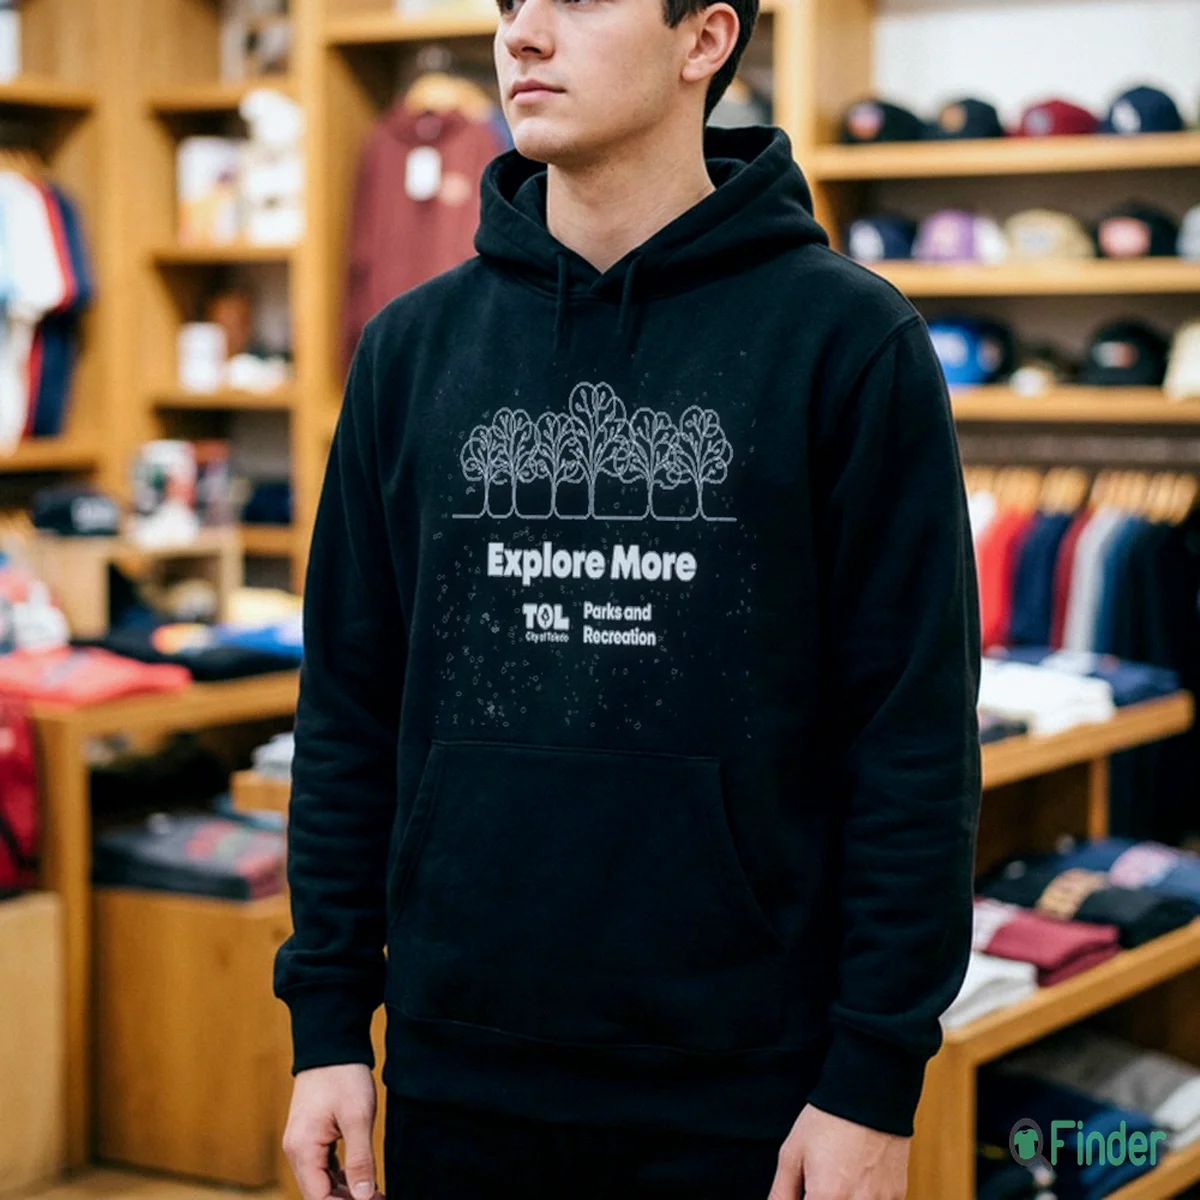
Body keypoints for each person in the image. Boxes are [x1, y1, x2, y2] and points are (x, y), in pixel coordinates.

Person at [274, 0, 983, 1189]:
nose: (522, 35)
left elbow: (912, 744)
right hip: (456, 1069)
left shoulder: (849, 343)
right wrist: (331, 1023)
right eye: (510, 1)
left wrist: (873, 1079)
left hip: (748, 1089)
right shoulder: (411, 351)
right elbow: (346, 709)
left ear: (703, 40)